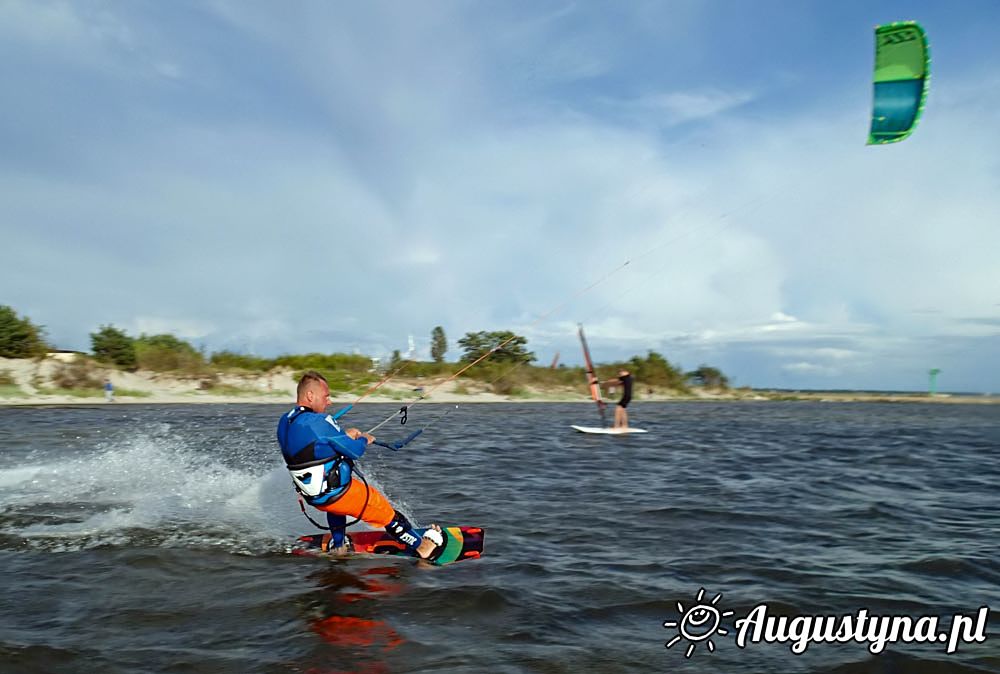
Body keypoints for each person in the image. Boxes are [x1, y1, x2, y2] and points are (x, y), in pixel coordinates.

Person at [276, 371, 444, 559]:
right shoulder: (319, 421)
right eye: (326, 396)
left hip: (315, 498)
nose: (329, 402)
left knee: (336, 508)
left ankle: (339, 546)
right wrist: (364, 439)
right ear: (310, 396)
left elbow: (313, 447)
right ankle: (422, 547)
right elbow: (354, 451)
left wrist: (343, 436)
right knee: (388, 514)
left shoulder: (285, 421)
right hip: (339, 493)